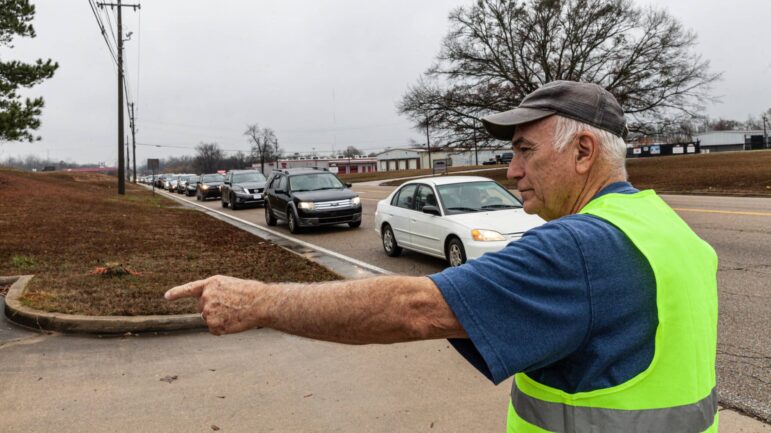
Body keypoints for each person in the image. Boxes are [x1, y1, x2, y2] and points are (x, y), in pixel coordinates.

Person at [166, 81, 718, 433]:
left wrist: (260, 302)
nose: (512, 170)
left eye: (525, 150)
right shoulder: (672, 234)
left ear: (582, 152)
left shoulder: (579, 248)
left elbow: (414, 307)